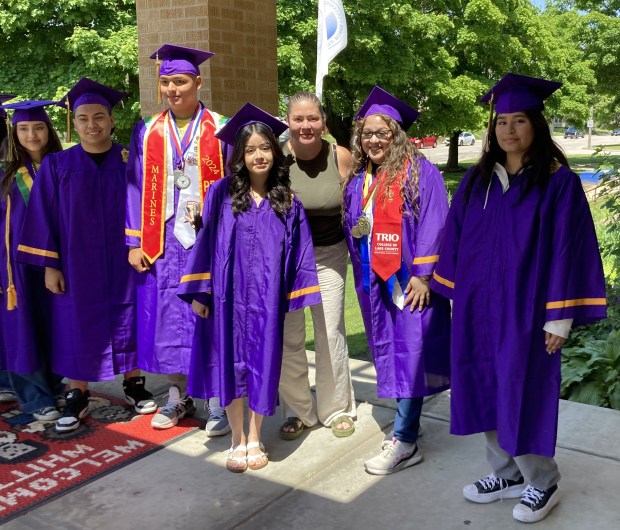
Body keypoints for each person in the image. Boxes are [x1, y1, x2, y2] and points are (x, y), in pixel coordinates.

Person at [430, 73, 607, 523]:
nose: (508, 130)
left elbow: (570, 249)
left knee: (522, 389)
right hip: (478, 307)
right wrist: (452, 294)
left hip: (528, 310)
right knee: (484, 385)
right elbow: (455, 239)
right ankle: (506, 473)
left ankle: (542, 481)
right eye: (501, 122)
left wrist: (559, 318)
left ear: (537, 126)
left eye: (519, 120)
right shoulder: (477, 181)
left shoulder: (557, 182)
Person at [178, 103, 321, 472]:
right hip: (226, 298)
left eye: (265, 147)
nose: (259, 156)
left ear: (276, 151)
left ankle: (256, 437)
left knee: (262, 366)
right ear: (239, 155)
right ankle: (237, 438)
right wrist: (201, 294)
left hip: (266, 302)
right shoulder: (221, 194)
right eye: (250, 149)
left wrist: (295, 298)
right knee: (228, 364)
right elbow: (206, 245)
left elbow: (299, 254)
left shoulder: (288, 201)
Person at [17, 79, 157, 432]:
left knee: (128, 319)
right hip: (75, 265)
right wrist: (50, 266)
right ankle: (77, 393)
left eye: (99, 117)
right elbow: (42, 218)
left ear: (111, 120)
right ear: (72, 123)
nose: (92, 125)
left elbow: (147, 210)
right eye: (83, 118)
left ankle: (134, 384)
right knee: (74, 323)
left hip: (125, 261)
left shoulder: (131, 161)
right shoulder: (57, 165)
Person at [343, 86, 451, 475]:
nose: (372, 140)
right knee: (393, 353)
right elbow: (357, 229)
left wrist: (423, 275)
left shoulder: (422, 173)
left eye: (381, 133)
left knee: (410, 356)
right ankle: (408, 429)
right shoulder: (360, 180)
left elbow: (436, 225)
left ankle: (405, 440)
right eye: (366, 133)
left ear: (397, 136)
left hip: (410, 285)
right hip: (375, 285)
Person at [125, 44, 230, 433]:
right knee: (168, 321)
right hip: (163, 242)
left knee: (210, 313)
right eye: (166, 81)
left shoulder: (221, 128)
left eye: (180, 81)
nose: (172, 89)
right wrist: (135, 242)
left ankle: (219, 398)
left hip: (206, 241)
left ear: (198, 82)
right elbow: (134, 188)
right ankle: (178, 395)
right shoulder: (147, 130)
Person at [278, 91, 356, 440]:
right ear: (288, 122)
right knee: (289, 337)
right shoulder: (275, 159)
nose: (306, 125)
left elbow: (357, 207)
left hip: (328, 255)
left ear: (324, 122)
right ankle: (298, 412)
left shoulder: (340, 157)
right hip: (285, 262)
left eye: (313, 118)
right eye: (299, 119)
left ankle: (337, 408)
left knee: (330, 331)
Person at [0, 100, 65, 420]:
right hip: (17, 267)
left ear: (48, 130)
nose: (31, 134)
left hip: (56, 260)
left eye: (38, 127)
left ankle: (53, 383)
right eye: (23, 129)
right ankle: (35, 396)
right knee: (24, 326)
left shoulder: (64, 166)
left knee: (55, 324)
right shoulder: (7, 176)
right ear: (14, 134)